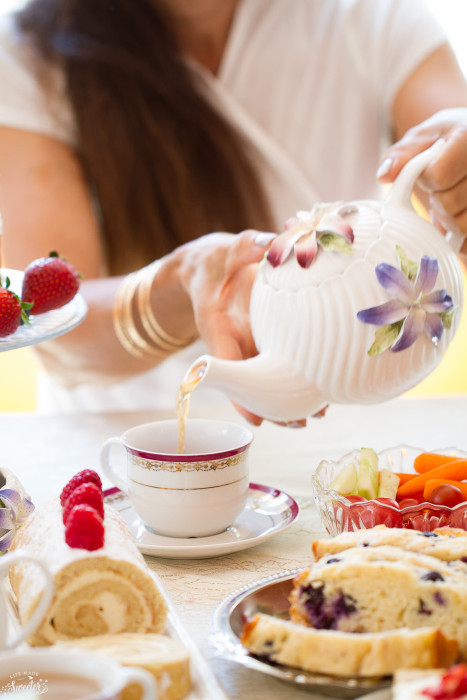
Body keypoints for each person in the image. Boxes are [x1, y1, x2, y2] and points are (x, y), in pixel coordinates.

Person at [0, 0, 467, 421]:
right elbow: (57, 330)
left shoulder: (374, 17)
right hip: (122, 448)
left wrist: (454, 169)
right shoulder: (28, 58)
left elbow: (446, 136)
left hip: (343, 438)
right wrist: (181, 284)